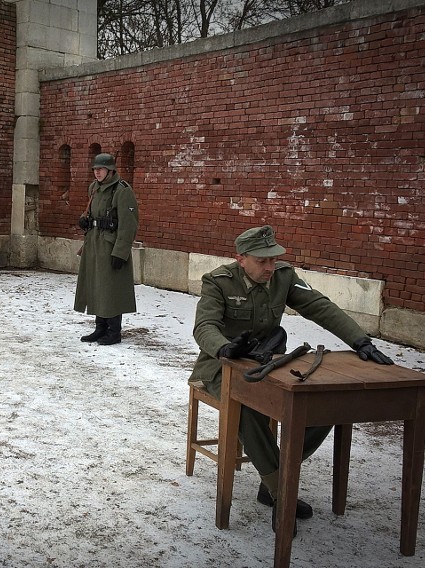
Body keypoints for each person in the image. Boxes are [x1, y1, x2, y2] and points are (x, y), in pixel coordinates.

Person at [189, 225, 393, 533]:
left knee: (323, 402)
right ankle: (282, 494)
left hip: (268, 361)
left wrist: (360, 341)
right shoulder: (219, 281)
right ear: (241, 258)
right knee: (246, 410)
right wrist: (224, 347)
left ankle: (272, 479)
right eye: (262, 261)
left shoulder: (283, 277)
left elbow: (319, 307)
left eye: (273, 259)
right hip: (222, 365)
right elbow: (204, 326)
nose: (270, 267)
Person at [74, 153, 139, 345]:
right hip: (94, 243)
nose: (97, 172)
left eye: (101, 169)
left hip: (111, 245)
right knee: (96, 286)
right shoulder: (94, 188)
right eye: (95, 169)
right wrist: (84, 219)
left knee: (111, 289)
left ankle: (113, 331)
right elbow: (93, 212)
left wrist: (121, 252)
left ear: (111, 170)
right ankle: (100, 328)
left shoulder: (122, 190)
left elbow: (129, 225)